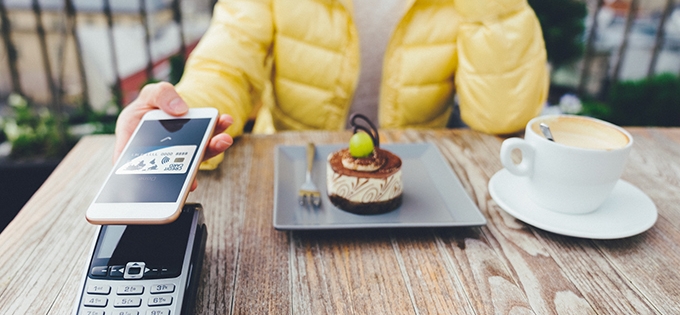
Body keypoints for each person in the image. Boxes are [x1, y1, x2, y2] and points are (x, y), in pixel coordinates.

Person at [115, 0, 549, 173]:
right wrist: (180, 122)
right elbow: (226, 64)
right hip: (289, 171)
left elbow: (502, 116)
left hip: (413, 178)